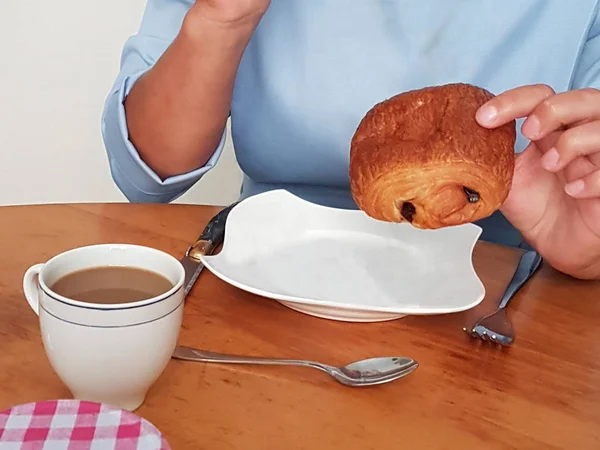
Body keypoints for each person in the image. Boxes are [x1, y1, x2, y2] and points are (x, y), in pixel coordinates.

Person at [102, 0, 600, 281]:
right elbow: (146, 175)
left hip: (494, 313)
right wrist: (220, 18)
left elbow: (588, 202)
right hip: (263, 287)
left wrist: (582, 244)